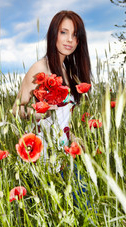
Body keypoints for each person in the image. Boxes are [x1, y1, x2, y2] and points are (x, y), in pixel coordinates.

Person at [13, 10, 91, 152]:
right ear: (53, 34)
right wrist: (39, 113)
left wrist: (74, 139)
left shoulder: (68, 73)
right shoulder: (40, 68)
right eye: (64, 32)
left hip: (64, 154)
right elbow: (16, 108)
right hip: (42, 153)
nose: (70, 39)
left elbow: (62, 120)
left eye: (75, 35)